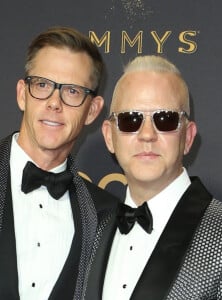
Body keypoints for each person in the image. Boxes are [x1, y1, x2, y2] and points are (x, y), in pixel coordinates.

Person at [84, 55, 222, 299]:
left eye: (165, 119)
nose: (147, 134)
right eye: (130, 120)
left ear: (188, 137)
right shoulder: (95, 232)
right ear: (109, 136)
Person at [0, 26, 119, 300]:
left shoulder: (106, 216)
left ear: (92, 110)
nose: (54, 102)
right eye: (42, 85)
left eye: (72, 91)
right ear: (22, 94)